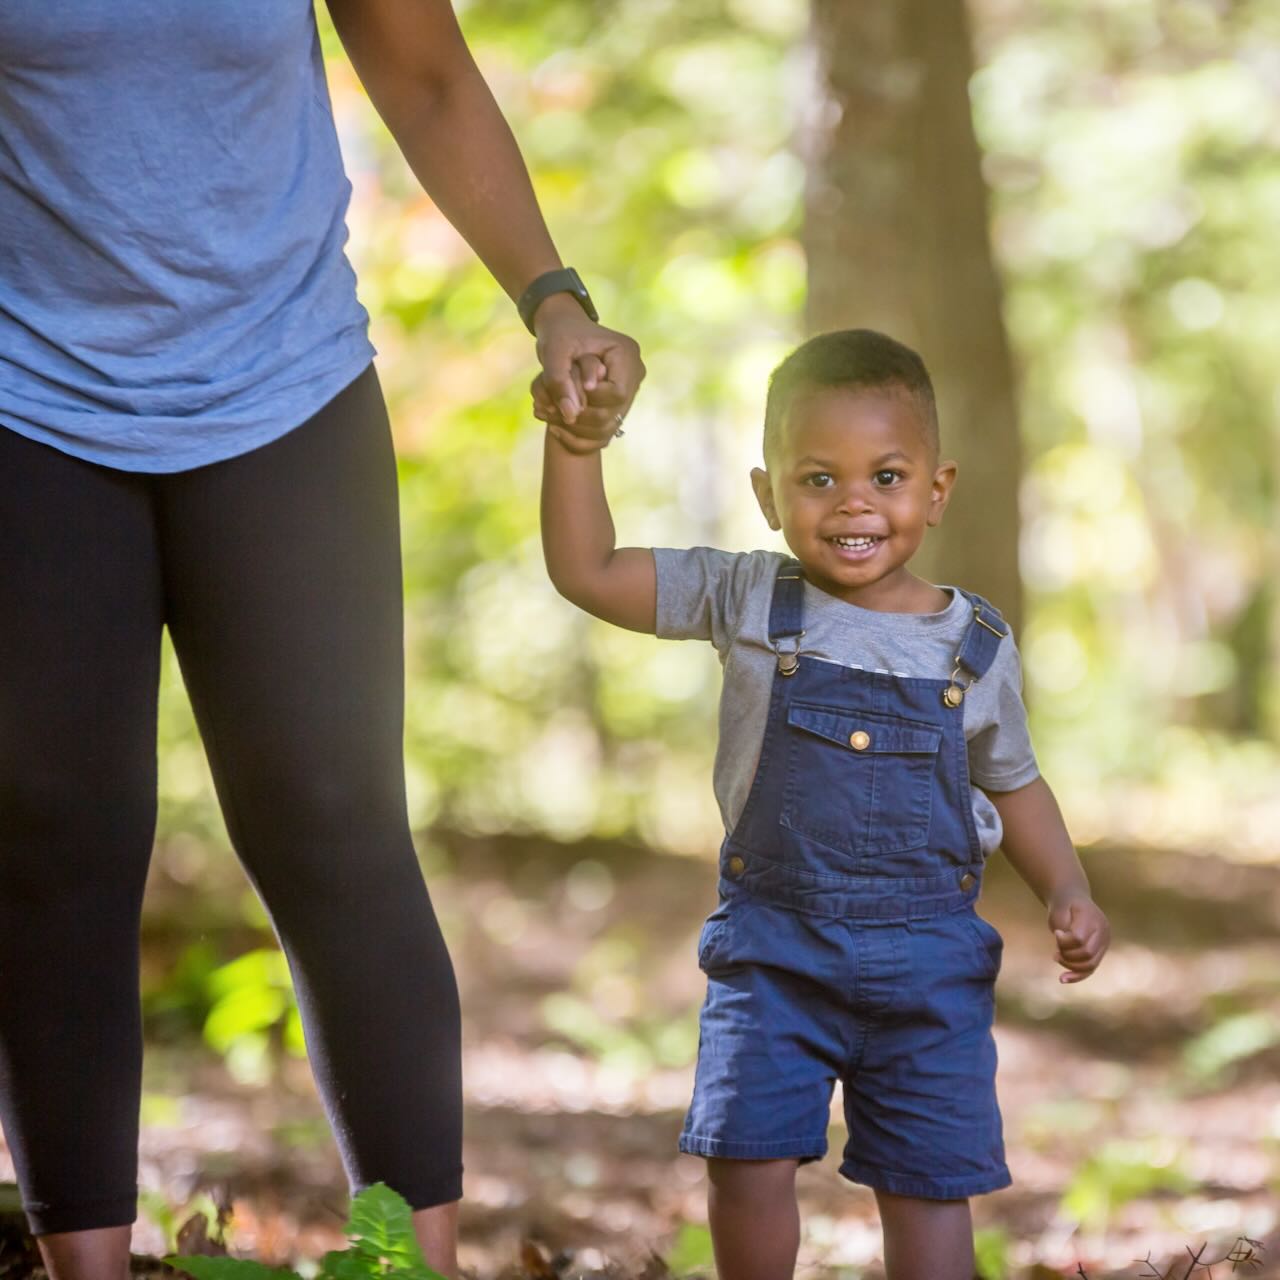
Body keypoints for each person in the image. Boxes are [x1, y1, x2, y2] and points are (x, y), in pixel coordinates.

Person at [0, 3, 641, 1278]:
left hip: (284, 387)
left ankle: (409, 1261)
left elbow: (426, 71)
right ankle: (85, 1267)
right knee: (50, 836)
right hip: (26, 397)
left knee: (336, 820)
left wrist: (553, 301)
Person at [537, 328, 1110, 1280]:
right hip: (774, 954)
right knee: (745, 1156)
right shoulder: (746, 598)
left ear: (937, 488)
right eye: (817, 479)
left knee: (929, 1181)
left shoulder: (975, 646)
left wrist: (1068, 888)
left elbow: (1014, 780)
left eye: (887, 476)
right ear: (767, 494)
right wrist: (574, 445)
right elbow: (587, 572)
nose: (854, 501)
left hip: (930, 967)